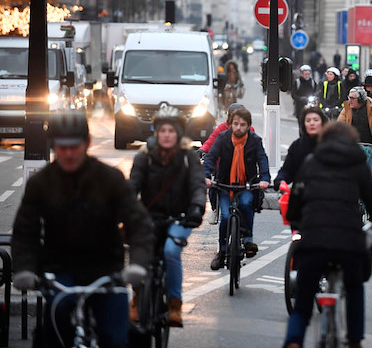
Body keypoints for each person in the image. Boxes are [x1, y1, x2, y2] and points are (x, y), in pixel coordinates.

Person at [11, 110, 154, 348]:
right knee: (53, 334)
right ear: (53, 145)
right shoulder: (41, 184)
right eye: (62, 146)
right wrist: (24, 269)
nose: (68, 153)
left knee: (115, 338)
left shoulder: (110, 179)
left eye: (74, 146)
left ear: (87, 143)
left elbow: (138, 223)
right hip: (60, 271)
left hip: (106, 271)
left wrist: (137, 264)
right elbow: (25, 231)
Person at [282, 122, 372, 348]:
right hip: (348, 242)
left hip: (313, 241)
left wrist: (299, 221)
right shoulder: (357, 164)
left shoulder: (311, 162)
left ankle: (293, 341)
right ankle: (354, 340)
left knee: (303, 299)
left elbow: (294, 204)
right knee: (354, 288)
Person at [128, 107, 206, 327]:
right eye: (163, 130)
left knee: (171, 252)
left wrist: (196, 209)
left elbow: (198, 185)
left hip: (180, 218)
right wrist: (126, 209)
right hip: (149, 217)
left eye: (172, 130)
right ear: (156, 133)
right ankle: (136, 298)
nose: (167, 135)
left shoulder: (188, 157)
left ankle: (174, 304)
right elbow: (132, 187)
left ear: (179, 133)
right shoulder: (145, 157)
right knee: (140, 251)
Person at [204, 108, 270, 270]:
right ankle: (222, 251)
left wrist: (265, 179)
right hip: (225, 184)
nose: (238, 128)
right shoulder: (222, 138)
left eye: (242, 125)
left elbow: (262, 159)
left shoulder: (254, 140)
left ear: (248, 126)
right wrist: (206, 175)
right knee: (225, 216)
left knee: (247, 204)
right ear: (230, 124)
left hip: (247, 184)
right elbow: (211, 157)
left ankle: (248, 239)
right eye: (235, 124)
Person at [338, 86, 372, 182]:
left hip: (371, 146)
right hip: (352, 147)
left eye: (352, 98)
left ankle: (371, 196)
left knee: (371, 175)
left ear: (360, 99)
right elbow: (340, 126)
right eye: (349, 97)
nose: (350, 100)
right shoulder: (347, 109)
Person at [274, 106, 328, 190]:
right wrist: (280, 180)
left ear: (322, 123)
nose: (312, 123)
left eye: (316, 120)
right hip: (302, 193)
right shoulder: (297, 146)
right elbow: (287, 170)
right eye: (308, 120)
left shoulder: (331, 144)